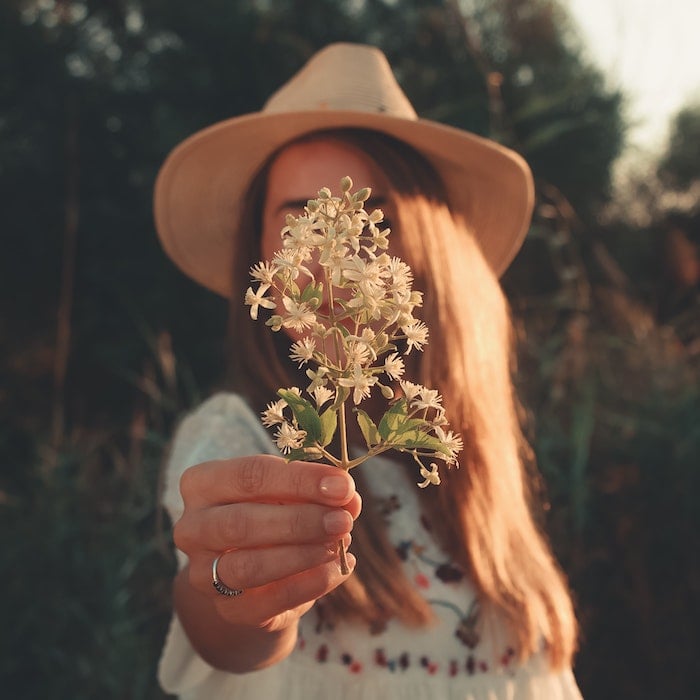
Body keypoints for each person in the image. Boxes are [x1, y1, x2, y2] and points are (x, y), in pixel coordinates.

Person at [153, 43, 583, 699]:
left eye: (371, 219)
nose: (335, 257)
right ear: (259, 259)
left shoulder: (471, 463)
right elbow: (227, 627)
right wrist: (237, 596)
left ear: (426, 247)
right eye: (301, 221)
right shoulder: (241, 437)